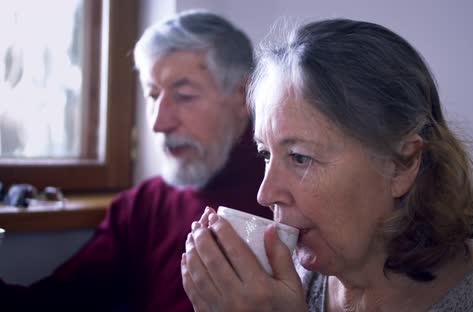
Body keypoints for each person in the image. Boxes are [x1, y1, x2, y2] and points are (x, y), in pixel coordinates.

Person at [181, 18, 473, 311]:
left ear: (402, 164)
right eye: (266, 154)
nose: (265, 193)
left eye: (300, 157)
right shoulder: (288, 286)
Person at [0, 10, 271, 312]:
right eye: (153, 96)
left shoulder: (282, 200)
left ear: (243, 95)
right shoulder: (142, 205)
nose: (158, 123)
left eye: (183, 96)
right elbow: (53, 304)